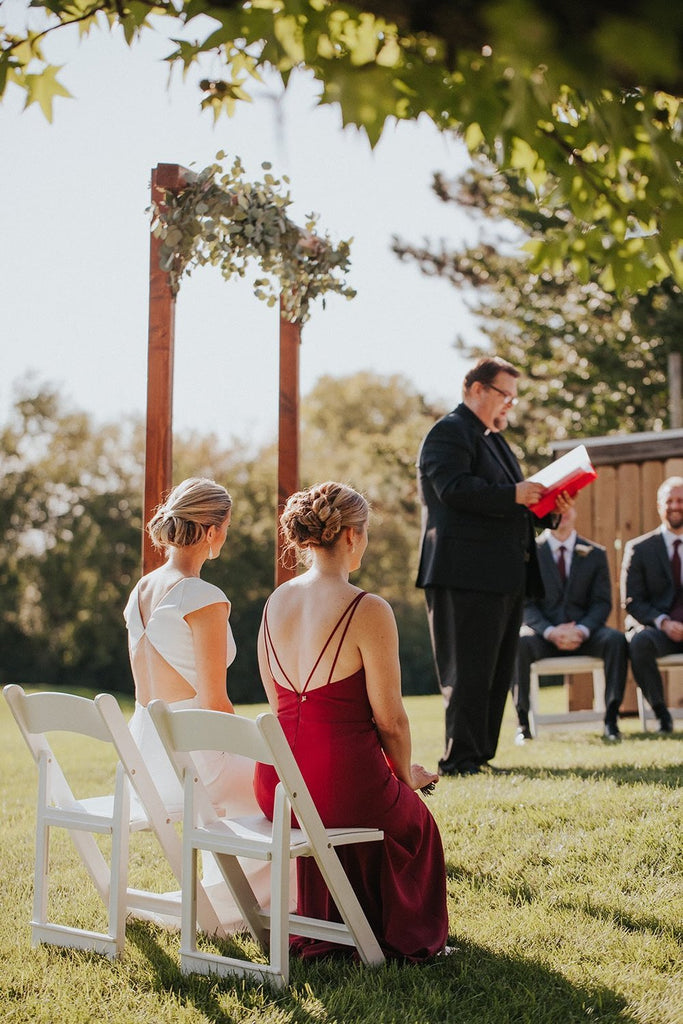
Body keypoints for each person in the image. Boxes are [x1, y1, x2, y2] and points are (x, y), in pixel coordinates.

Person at [253, 481, 449, 962]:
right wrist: (404, 780)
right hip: (341, 784)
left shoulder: (275, 602)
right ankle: (402, 938)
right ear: (351, 537)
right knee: (416, 823)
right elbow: (392, 721)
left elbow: (278, 702)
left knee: (360, 810)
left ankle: (339, 925)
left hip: (277, 783)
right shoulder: (368, 609)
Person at [123, 477, 280, 929]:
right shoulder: (204, 597)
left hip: (148, 758)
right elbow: (214, 703)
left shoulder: (141, 591)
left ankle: (225, 898)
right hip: (195, 762)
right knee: (289, 784)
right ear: (213, 531)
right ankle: (261, 906)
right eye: (226, 527)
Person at [416, 355, 570, 776]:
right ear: (476, 389)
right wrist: (516, 496)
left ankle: (480, 755)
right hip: (462, 572)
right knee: (467, 670)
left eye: (514, 399)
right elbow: (454, 490)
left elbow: (510, 499)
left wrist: (548, 509)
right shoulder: (448, 433)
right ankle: (459, 758)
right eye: (505, 395)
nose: (510, 405)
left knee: (496, 670)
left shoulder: (495, 440)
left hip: (503, 574)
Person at [511, 502, 628, 742]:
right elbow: (524, 603)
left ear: (574, 511)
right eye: (553, 509)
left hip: (584, 634)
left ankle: (611, 721)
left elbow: (602, 602)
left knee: (616, 640)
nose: (560, 513)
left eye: (565, 507)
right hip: (543, 635)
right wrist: (551, 631)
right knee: (518, 643)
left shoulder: (595, 553)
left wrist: (583, 630)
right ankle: (523, 724)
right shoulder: (527, 553)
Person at [620, 476, 681, 734]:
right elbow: (631, 600)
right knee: (639, 642)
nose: (675, 506)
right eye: (669, 501)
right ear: (659, 506)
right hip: (658, 630)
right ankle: (661, 714)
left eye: (681, 500)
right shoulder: (639, 548)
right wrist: (664, 623)